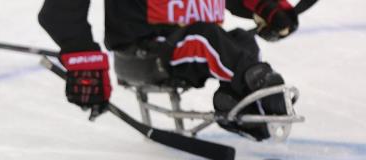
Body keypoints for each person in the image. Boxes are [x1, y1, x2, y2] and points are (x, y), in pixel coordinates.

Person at [38, 0, 300, 140]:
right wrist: (85, 61)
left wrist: (267, 7)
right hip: (146, 54)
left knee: (241, 40)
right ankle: (256, 86)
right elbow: (59, 12)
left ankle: (236, 101)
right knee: (206, 38)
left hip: (190, 46)